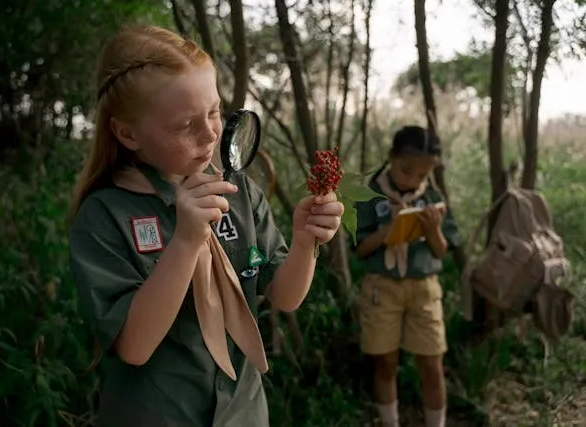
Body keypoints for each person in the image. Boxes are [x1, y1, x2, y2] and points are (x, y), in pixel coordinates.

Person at [68, 25, 344, 427]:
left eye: (214, 112)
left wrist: (305, 243)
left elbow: (284, 296)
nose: (211, 132)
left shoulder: (238, 193)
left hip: (243, 413)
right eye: (184, 125)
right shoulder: (105, 217)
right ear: (127, 133)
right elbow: (135, 346)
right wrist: (184, 242)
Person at [354, 126, 460, 427]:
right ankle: (390, 422)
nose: (412, 180)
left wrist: (432, 230)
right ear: (391, 158)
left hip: (424, 289)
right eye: (406, 171)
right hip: (381, 288)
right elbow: (360, 249)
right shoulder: (370, 195)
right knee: (385, 362)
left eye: (421, 175)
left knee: (432, 363)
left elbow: (441, 252)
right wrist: (386, 233)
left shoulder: (433, 198)